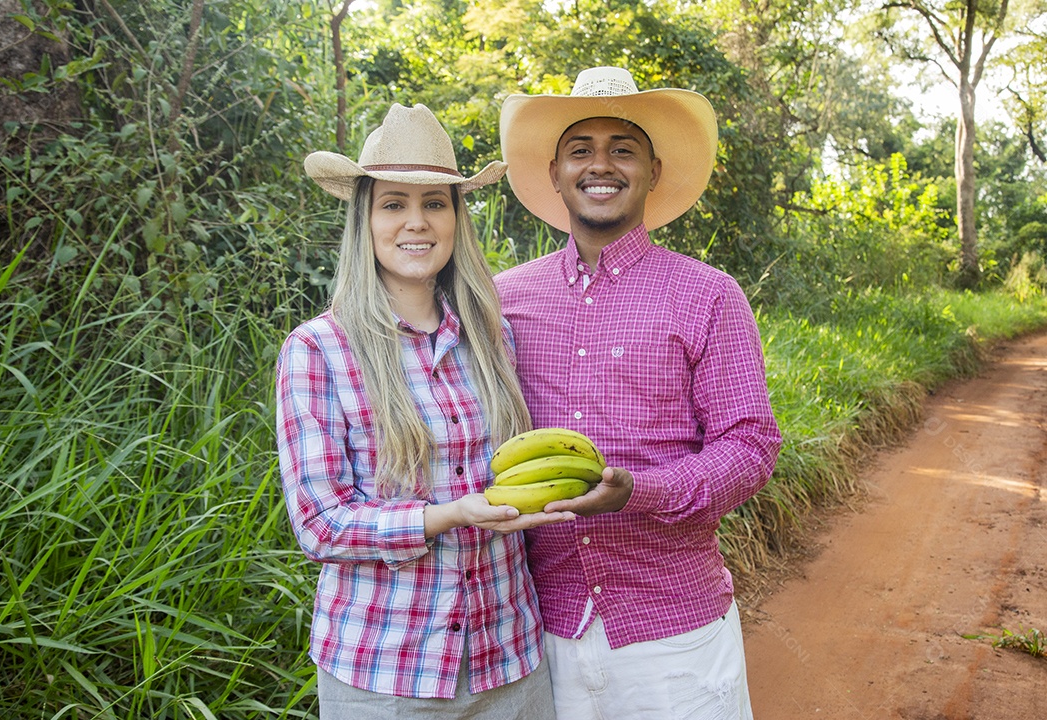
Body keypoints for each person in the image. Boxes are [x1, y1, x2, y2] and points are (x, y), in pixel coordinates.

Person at [494, 67, 783, 719]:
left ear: (652, 170)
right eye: (581, 149)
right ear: (556, 173)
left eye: (622, 149)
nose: (602, 165)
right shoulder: (505, 298)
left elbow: (750, 446)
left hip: (673, 631)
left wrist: (641, 492)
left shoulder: (709, 295)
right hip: (542, 626)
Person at [276, 103, 567, 719]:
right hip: (385, 670)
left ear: (457, 217)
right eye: (393, 204)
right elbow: (320, 523)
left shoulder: (493, 338)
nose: (417, 222)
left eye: (435, 202)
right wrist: (448, 515)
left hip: (509, 659)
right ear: (365, 218)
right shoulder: (319, 348)